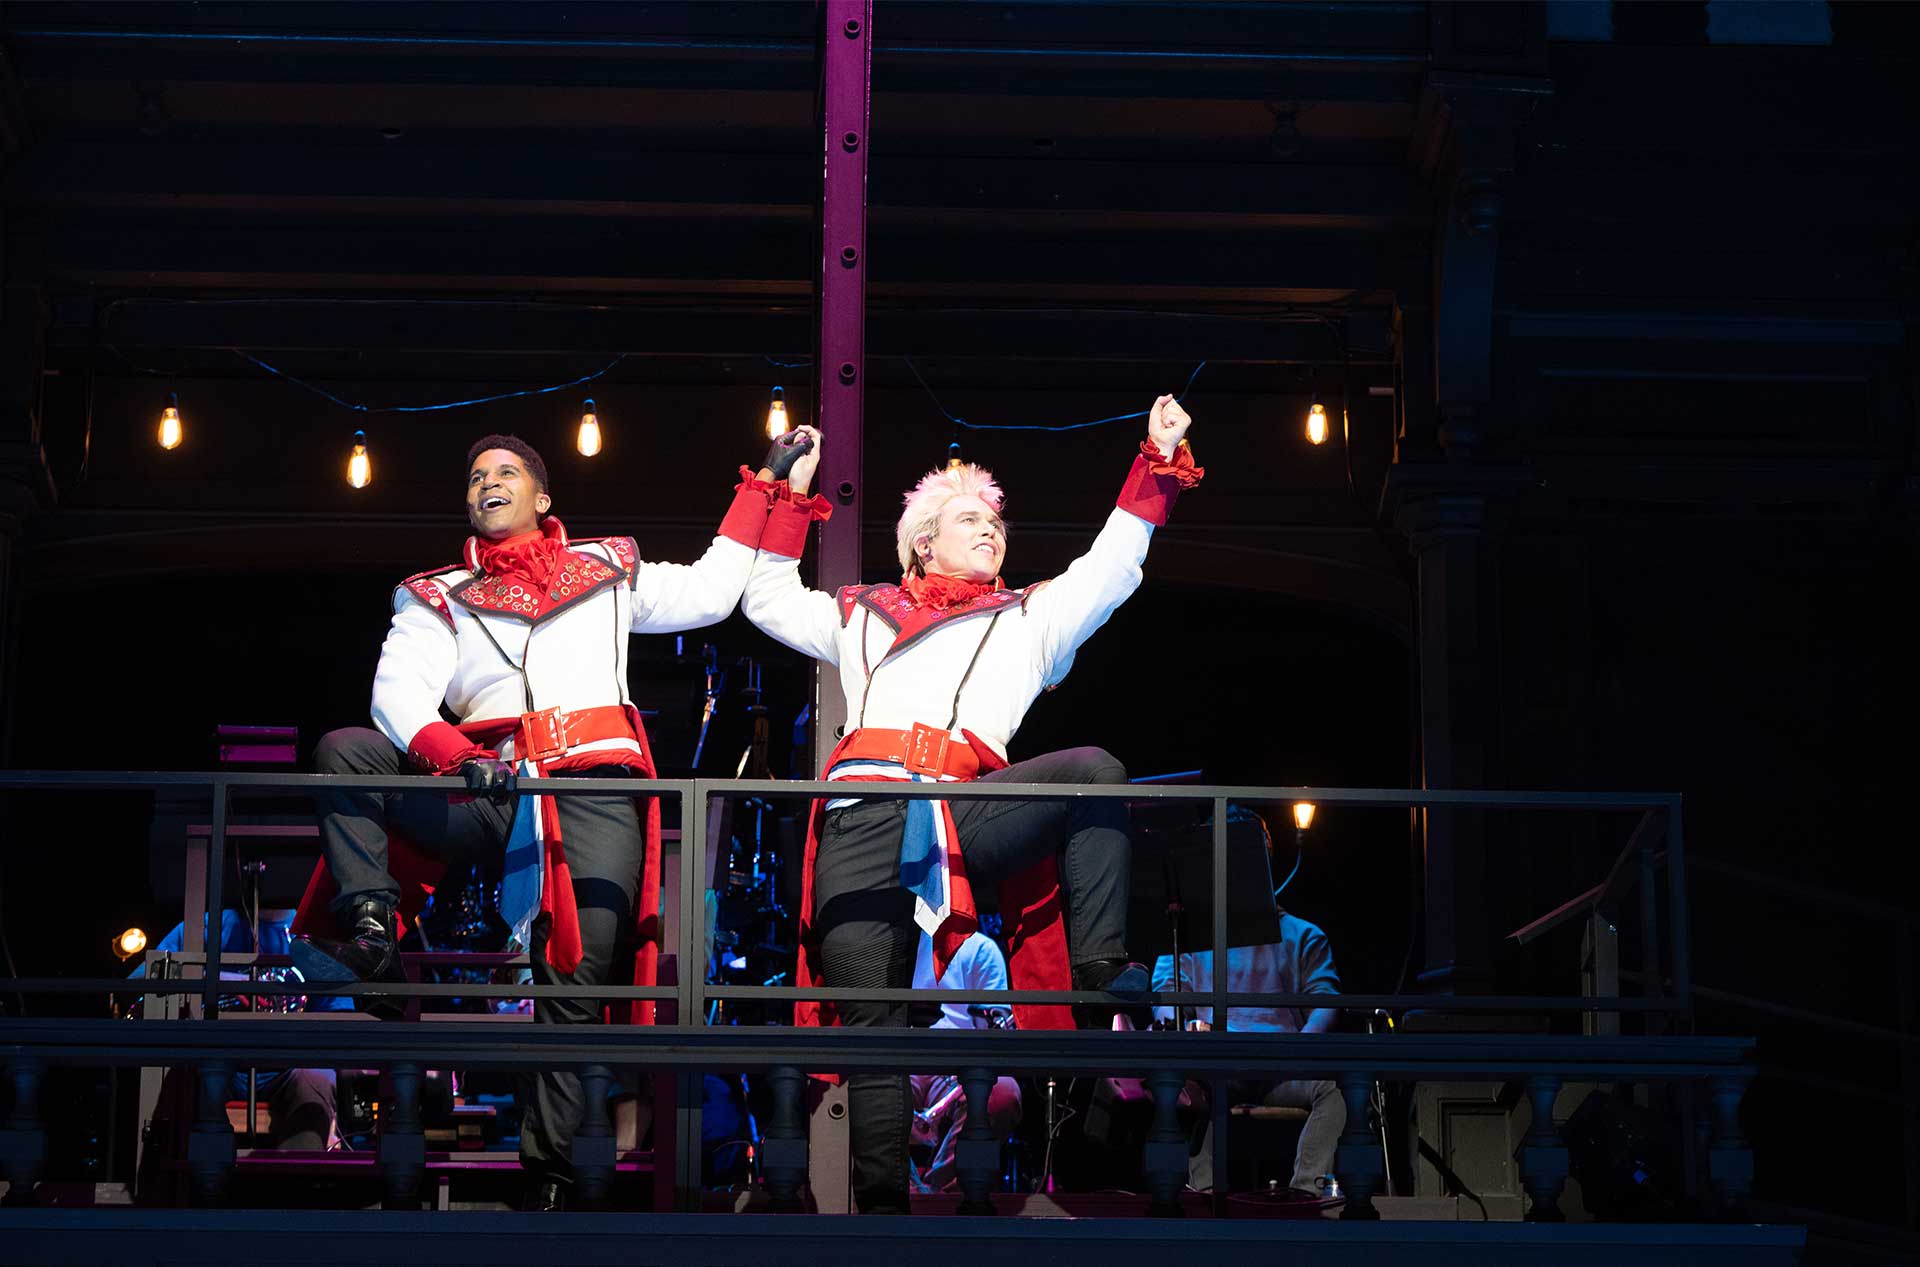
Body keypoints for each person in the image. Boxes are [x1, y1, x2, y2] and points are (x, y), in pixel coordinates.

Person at [291, 430, 813, 1208]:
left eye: (505, 472)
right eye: (474, 476)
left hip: (595, 786)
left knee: (577, 972)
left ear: (542, 498)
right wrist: (449, 751)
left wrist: (770, 489)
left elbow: (712, 589)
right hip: (486, 786)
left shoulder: (606, 567)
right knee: (347, 749)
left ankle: (553, 1175)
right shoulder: (437, 592)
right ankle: (371, 932)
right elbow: (394, 695)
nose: (486, 483)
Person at [742, 399, 1203, 1213]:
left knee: (1095, 769)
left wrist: (1156, 459)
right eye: (969, 517)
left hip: (963, 809)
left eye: (995, 517)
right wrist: (781, 490)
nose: (991, 526)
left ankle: (1099, 979)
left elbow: (1110, 567)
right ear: (924, 540)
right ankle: (884, 1214)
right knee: (874, 1029)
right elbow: (768, 599)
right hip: (861, 807)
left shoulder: (1029, 617)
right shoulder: (861, 611)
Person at [1150, 906, 1347, 1197]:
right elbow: (1165, 999)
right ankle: (1204, 1195)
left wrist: (1299, 1050)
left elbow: (1325, 1003)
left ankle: (1307, 1192)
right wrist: (1179, 1031)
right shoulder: (1189, 936)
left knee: (1339, 1089)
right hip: (1217, 1069)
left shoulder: (1303, 934)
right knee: (1186, 1085)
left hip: (1282, 1069)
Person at [134, 908, 345, 1152]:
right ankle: (205, 1179)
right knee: (189, 1076)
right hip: (220, 1061)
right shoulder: (207, 926)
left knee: (318, 1078)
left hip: (288, 1068)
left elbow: (339, 1015)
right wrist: (220, 980)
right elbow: (141, 980)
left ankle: (296, 1179)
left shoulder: (315, 932)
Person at [907, 927, 1023, 1193]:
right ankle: (909, 1194)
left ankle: (939, 1197)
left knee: (1003, 1093)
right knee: (862, 1092)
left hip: (958, 1066)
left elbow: (996, 1028)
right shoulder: (891, 943)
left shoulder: (980, 948)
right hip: (898, 1061)